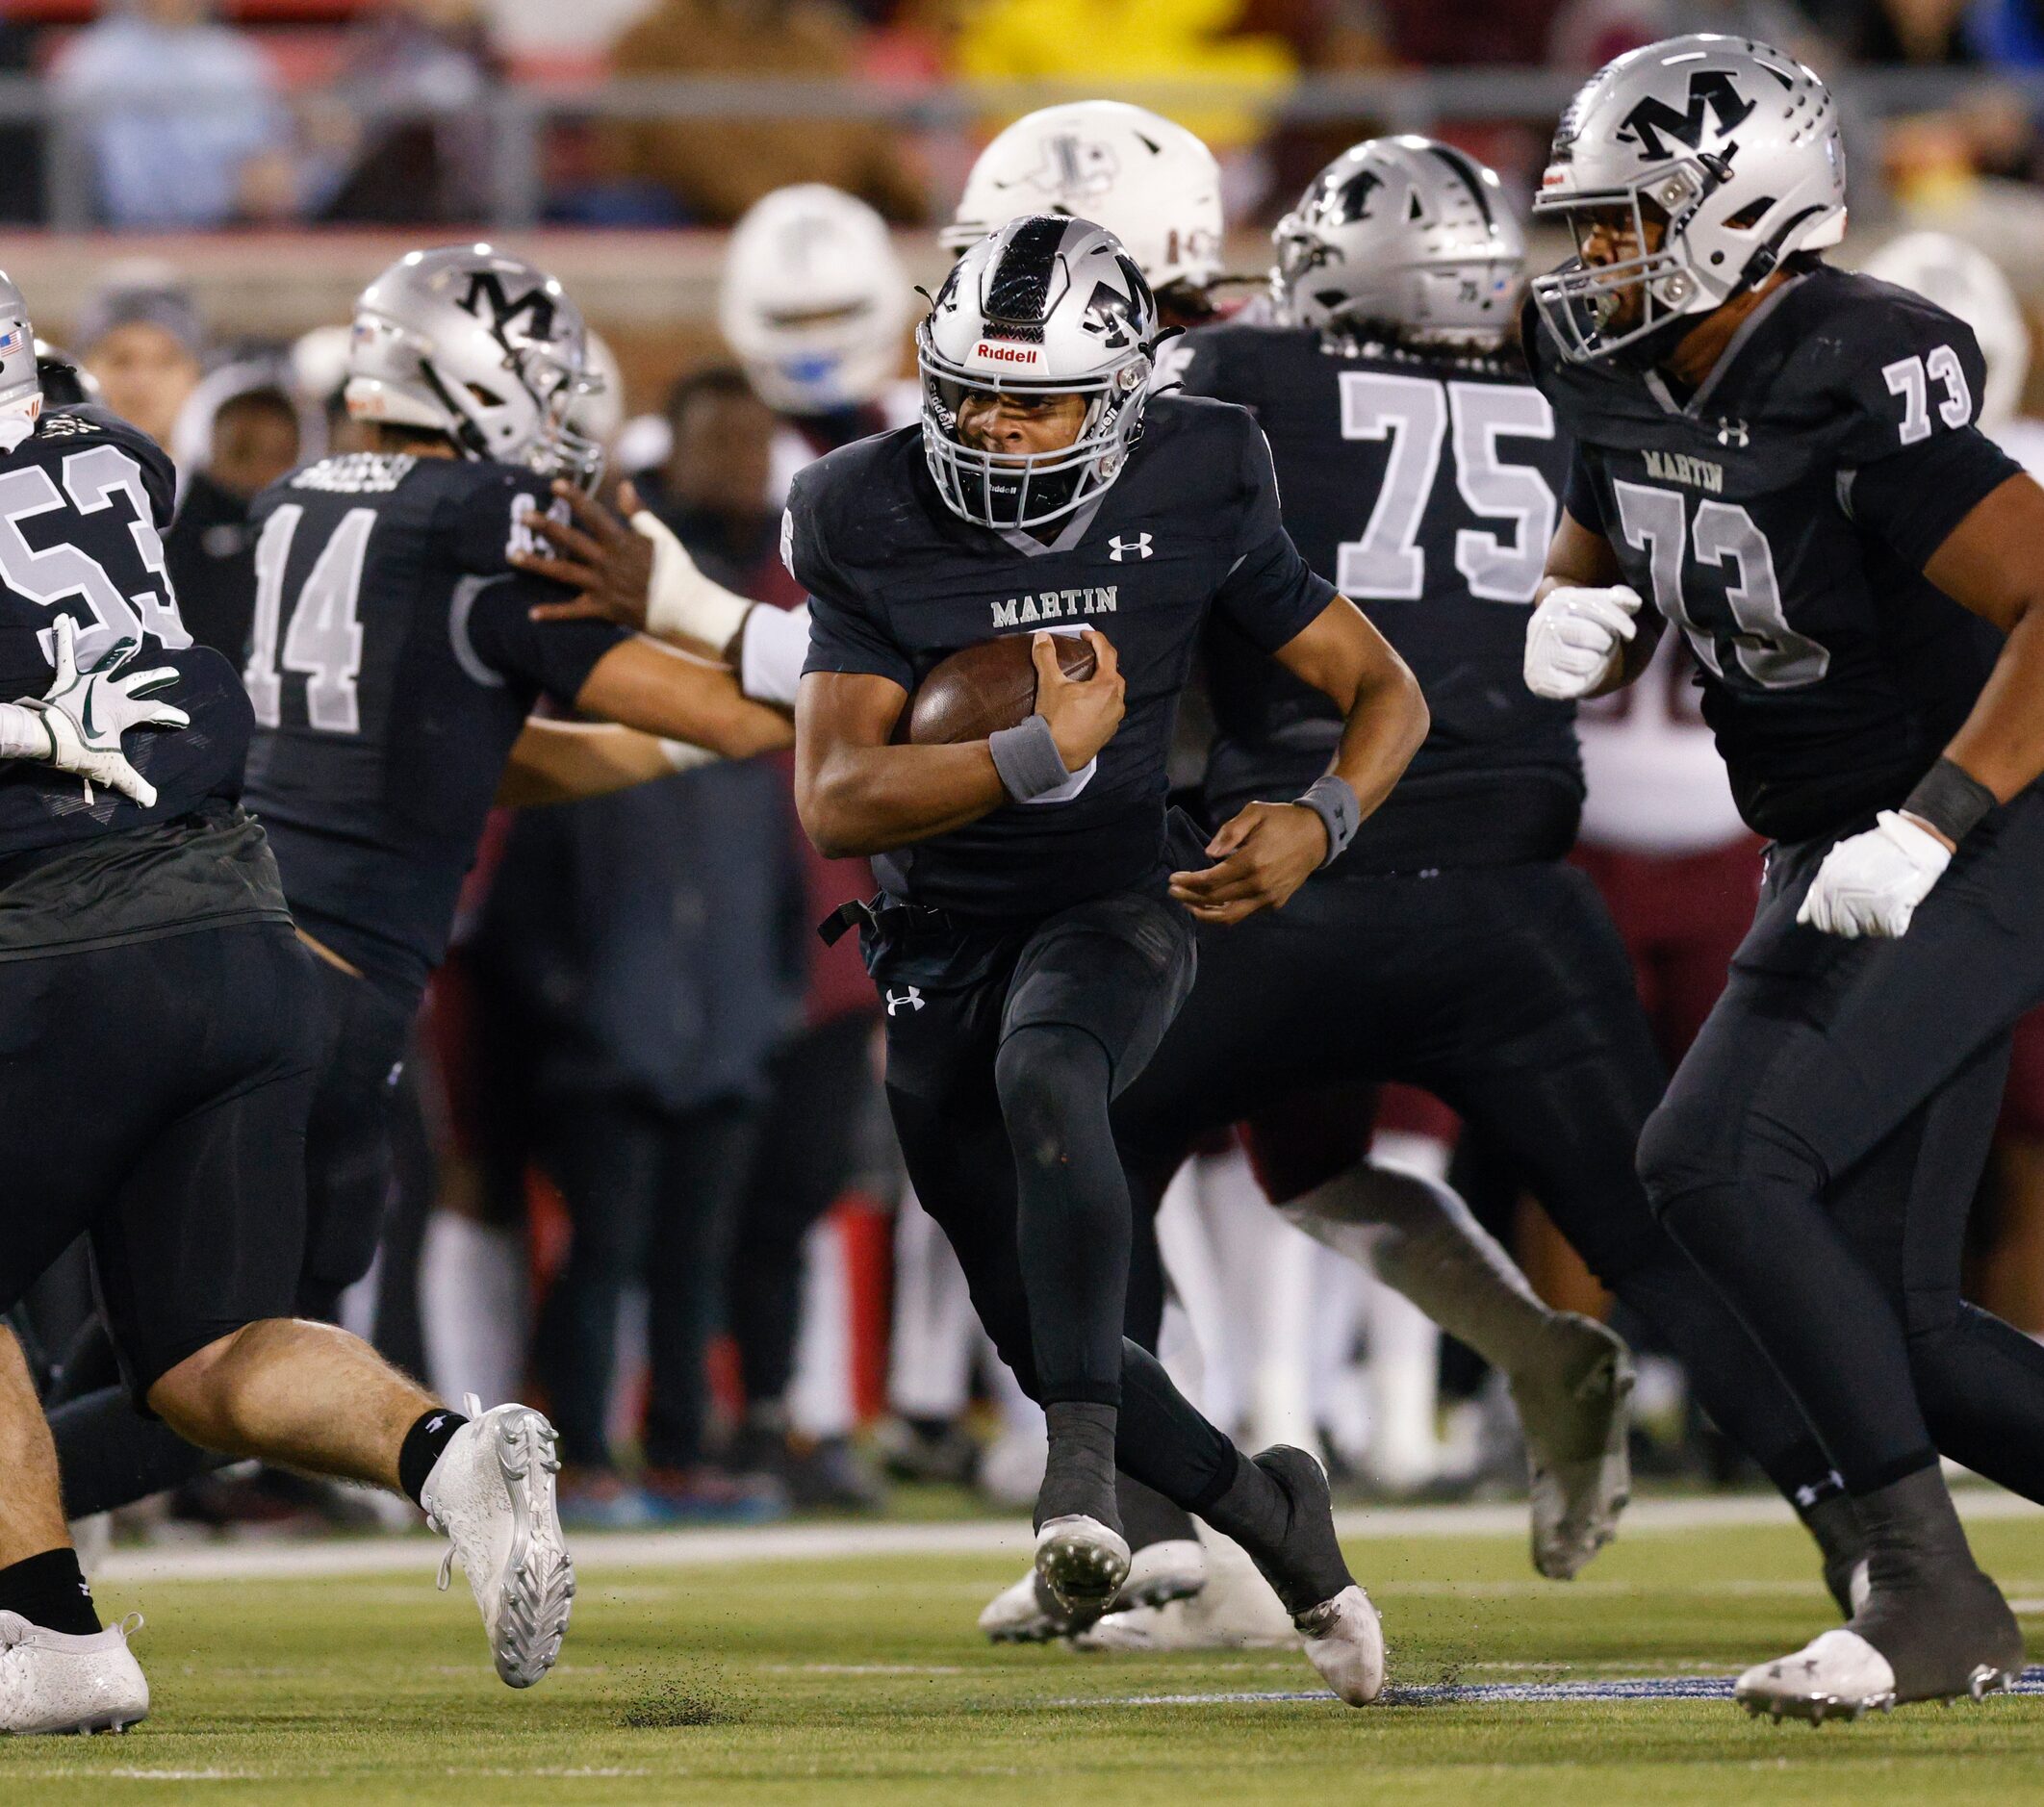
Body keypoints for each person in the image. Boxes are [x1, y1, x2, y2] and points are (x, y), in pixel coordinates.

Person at [42, 243, 794, 1526]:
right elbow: (732, 715)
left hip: (207, 938)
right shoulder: (474, 518)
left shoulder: (291, 501)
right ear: (477, 374)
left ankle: (33, 1566)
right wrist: (803, 682)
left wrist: (673, 736)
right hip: (326, 1002)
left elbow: (459, 749)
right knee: (242, 1368)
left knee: (157, 1341)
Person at [790, 213, 1427, 1705]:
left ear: (1125, 396)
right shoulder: (860, 504)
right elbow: (836, 800)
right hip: (936, 931)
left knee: (1054, 1065)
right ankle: (1279, 1518)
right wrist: (1035, 747)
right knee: (1036, 1317)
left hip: (1119, 898)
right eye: (970, 393)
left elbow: (1380, 686)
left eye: (1037, 401)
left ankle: (1074, 1489)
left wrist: (1322, 818)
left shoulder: (1200, 467)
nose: (996, 429)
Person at [1522, 33, 2044, 1718]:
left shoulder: (1851, 360)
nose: (1593, 260)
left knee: (1718, 1156)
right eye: (1585, 227)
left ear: (1745, 208)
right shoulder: (1612, 361)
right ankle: (1930, 1577)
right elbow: (1611, 517)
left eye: (1626, 223)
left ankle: (1929, 1592)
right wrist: (1574, 613)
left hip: (1976, 815)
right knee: (1905, 1332)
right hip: (1827, 827)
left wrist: (1936, 820)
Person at [0, 270, 576, 1730]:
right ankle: (447, 1450)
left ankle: (43, 1629)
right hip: (244, 918)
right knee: (210, 1355)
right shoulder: (116, 456)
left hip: (54, 937)